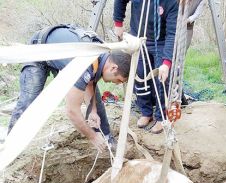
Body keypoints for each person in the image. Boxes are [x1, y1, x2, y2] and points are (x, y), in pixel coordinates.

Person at [8, 24, 132, 152]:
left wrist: (93, 111)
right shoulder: (84, 64)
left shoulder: (102, 54)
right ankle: (10, 148)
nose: (117, 83)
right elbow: (72, 111)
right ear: (113, 68)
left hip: (59, 54)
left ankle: (108, 139)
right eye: (119, 80)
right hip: (38, 51)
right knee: (28, 102)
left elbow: (90, 82)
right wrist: (93, 136)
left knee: (96, 101)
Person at [113, 0, 178, 134]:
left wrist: (166, 63)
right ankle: (146, 112)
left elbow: (172, 34)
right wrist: (118, 23)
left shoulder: (172, 2)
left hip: (161, 41)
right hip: (138, 37)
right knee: (140, 75)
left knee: (162, 79)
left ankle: (161, 117)